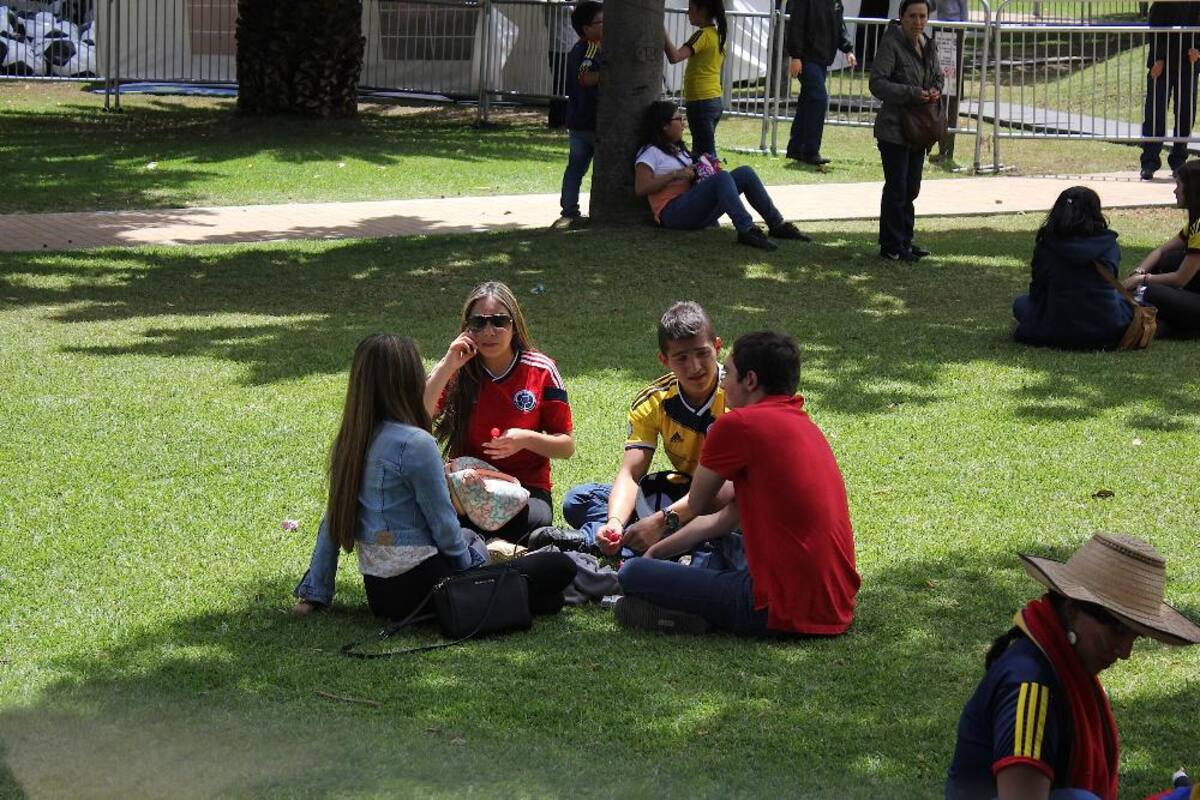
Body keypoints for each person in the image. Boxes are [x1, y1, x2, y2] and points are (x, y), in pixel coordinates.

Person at [292, 282, 574, 614]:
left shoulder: (354, 441)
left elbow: (565, 444)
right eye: (478, 322)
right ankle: (505, 553)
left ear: (515, 324)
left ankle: (499, 549)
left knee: (491, 538)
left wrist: (525, 439)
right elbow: (443, 523)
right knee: (556, 571)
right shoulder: (419, 439)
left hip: (382, 590)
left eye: (499, 320)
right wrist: (448, 366)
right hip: (445, 546)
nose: (489, 330)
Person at [615, 331, 861, 637]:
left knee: (633, 574)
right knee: (713, 545)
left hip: (777, 609)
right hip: (833, 605)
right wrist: (657, 553)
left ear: (751, 380)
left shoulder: (737, 425)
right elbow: (723, 519)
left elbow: (697, 503)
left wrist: (656, 533)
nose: (721, 380)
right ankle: (691, 604)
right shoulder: (803, 424)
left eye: (728, 372)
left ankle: (690, 612)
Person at [945, 532, 1200, 800]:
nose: (1125, 652)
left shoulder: (1056, 665)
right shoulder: (1029, 686)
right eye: (1117, 631)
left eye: (1135, 636)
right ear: (1072, 609)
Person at [545, 301, 734, 554]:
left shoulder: (739, 395)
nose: (695, 366)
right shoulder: (653, 400)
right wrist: (613, 523)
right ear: (664, 360)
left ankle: (599, 541)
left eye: (702, 353)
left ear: (718, 347)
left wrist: (661, 520)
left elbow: (730, 489)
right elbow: (631, 473)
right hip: (683, 494)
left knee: (727, 517)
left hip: (722, 501)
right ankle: (633, 539)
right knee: (579, 499)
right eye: (681, 357)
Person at [634, 100, 811, 251]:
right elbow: (641, 189)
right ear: (664, 126)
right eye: (678, 119)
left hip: (693, 208)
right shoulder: (650, 153)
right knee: (722, 178)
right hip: (672, 214)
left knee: (745, 173)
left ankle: (777, 225)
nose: (683, 124)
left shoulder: (678, 148)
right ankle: (746, 230)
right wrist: (674, 175)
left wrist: (701, 167)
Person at [1012, 187, 1132, 350]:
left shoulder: (1047, 244)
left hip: (1056, 329)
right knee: (1123, 301)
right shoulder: (1108, 243)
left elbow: (1038, 289)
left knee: (1021, 303)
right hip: (1107, 329)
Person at [869, 0, 943, 262]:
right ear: (901, 17)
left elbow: (937, 77)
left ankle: (905, 240)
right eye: (912, 16)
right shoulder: (891, 43)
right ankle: (891, 245)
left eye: (923, 16)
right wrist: (912, 93)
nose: (918, 22)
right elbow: (877, 83)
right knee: (897, 187)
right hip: (894, 129)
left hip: (919, 130)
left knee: (911, 187)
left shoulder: (928, 44)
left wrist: (934, 90)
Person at [1122, 159, 1200, 336]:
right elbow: (1161, 250)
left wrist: (1140, 281)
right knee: (1167, 260)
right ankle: (1169, 323)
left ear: (1193, 189)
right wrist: (1139, 271)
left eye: (1178, 185)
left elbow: (1180, 279)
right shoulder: (1196, 223)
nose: (1175, 191)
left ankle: (1177, 325)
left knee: (1151, 291)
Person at [784, 0, 857, 165]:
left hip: (822, 59)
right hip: (806, 58)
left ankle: (796, 148)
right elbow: (796, 24)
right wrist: (795, 56)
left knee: (808, 102)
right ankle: (810, 151)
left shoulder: (835, 2)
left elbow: (840, 26)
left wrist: (848, 49)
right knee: (818, 99)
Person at [1139, 1, 1200, 181]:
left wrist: (1197, 49)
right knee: (1155, 113)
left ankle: (1179, 162)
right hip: (1162, 66)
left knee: (1185, 114)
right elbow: (1156, 29)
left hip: (1188, 65)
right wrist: (1159, 58)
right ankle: (1149, 162)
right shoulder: (1161, 3)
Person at [557, 1, 603, 224]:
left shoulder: (576, 48)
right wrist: (607, 74)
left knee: (575, 168)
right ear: (587, 28)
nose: (606, 26)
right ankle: (570, 210)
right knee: (582, 167)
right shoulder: (591, 48)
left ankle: (568, 209)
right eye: (601, 22)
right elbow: (584, 78)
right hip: (589, 121)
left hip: (576, 119)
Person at [663, 0, 728, 159]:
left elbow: (675, 57)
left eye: (691, 8)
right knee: (702, 151)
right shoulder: (717, 35)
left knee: (705, 155)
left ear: (702, 10)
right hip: (713, 99)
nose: (687, 13)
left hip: (701, 101)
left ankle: (716, 182)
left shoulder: (703, 35)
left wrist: (661, 30)